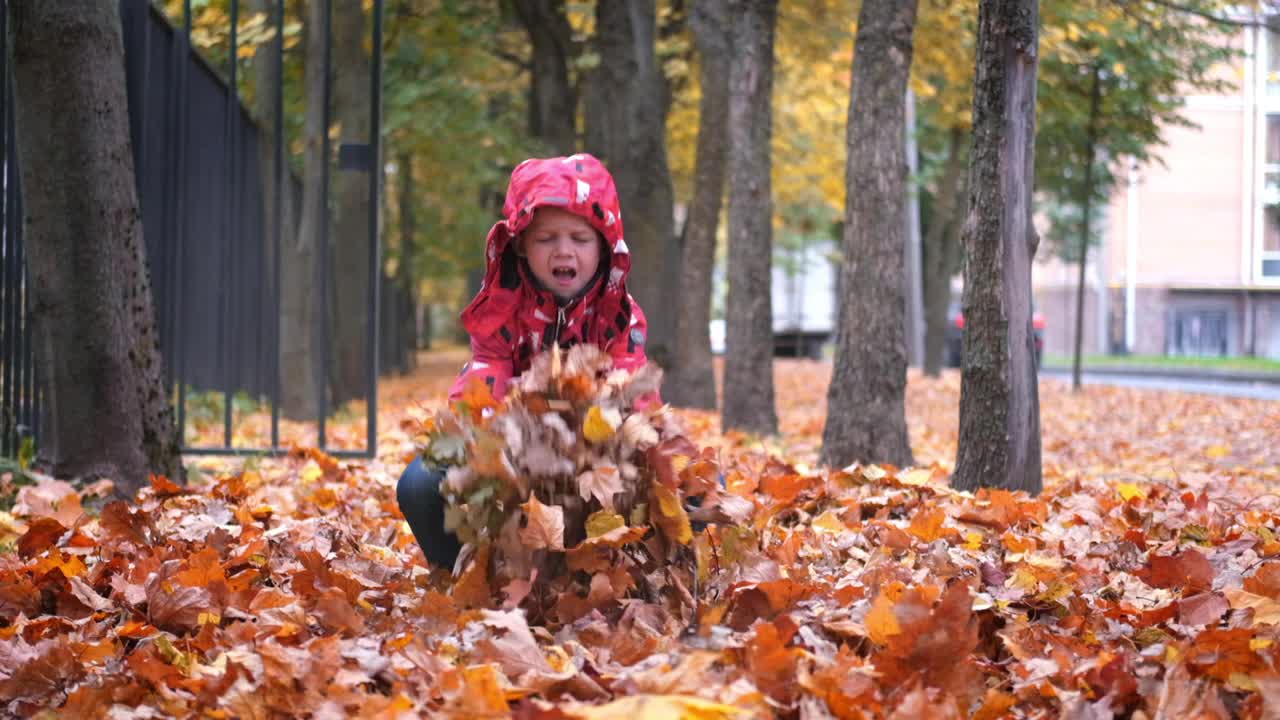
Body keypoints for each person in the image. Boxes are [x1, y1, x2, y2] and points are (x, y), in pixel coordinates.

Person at [396, 153, 657, 570]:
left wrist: (614, 442)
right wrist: (497, 441)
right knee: (420, 484)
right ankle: (457, 580)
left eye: (580, 238)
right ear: (520, 243)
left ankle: (638, 580)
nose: (564, 251)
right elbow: (486, 381)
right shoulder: (503, 312)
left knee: (690, 483)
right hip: (512, 450)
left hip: (598, 458)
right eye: (546, 238)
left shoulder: (618, 317)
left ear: (605, 245)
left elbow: (633, 394)